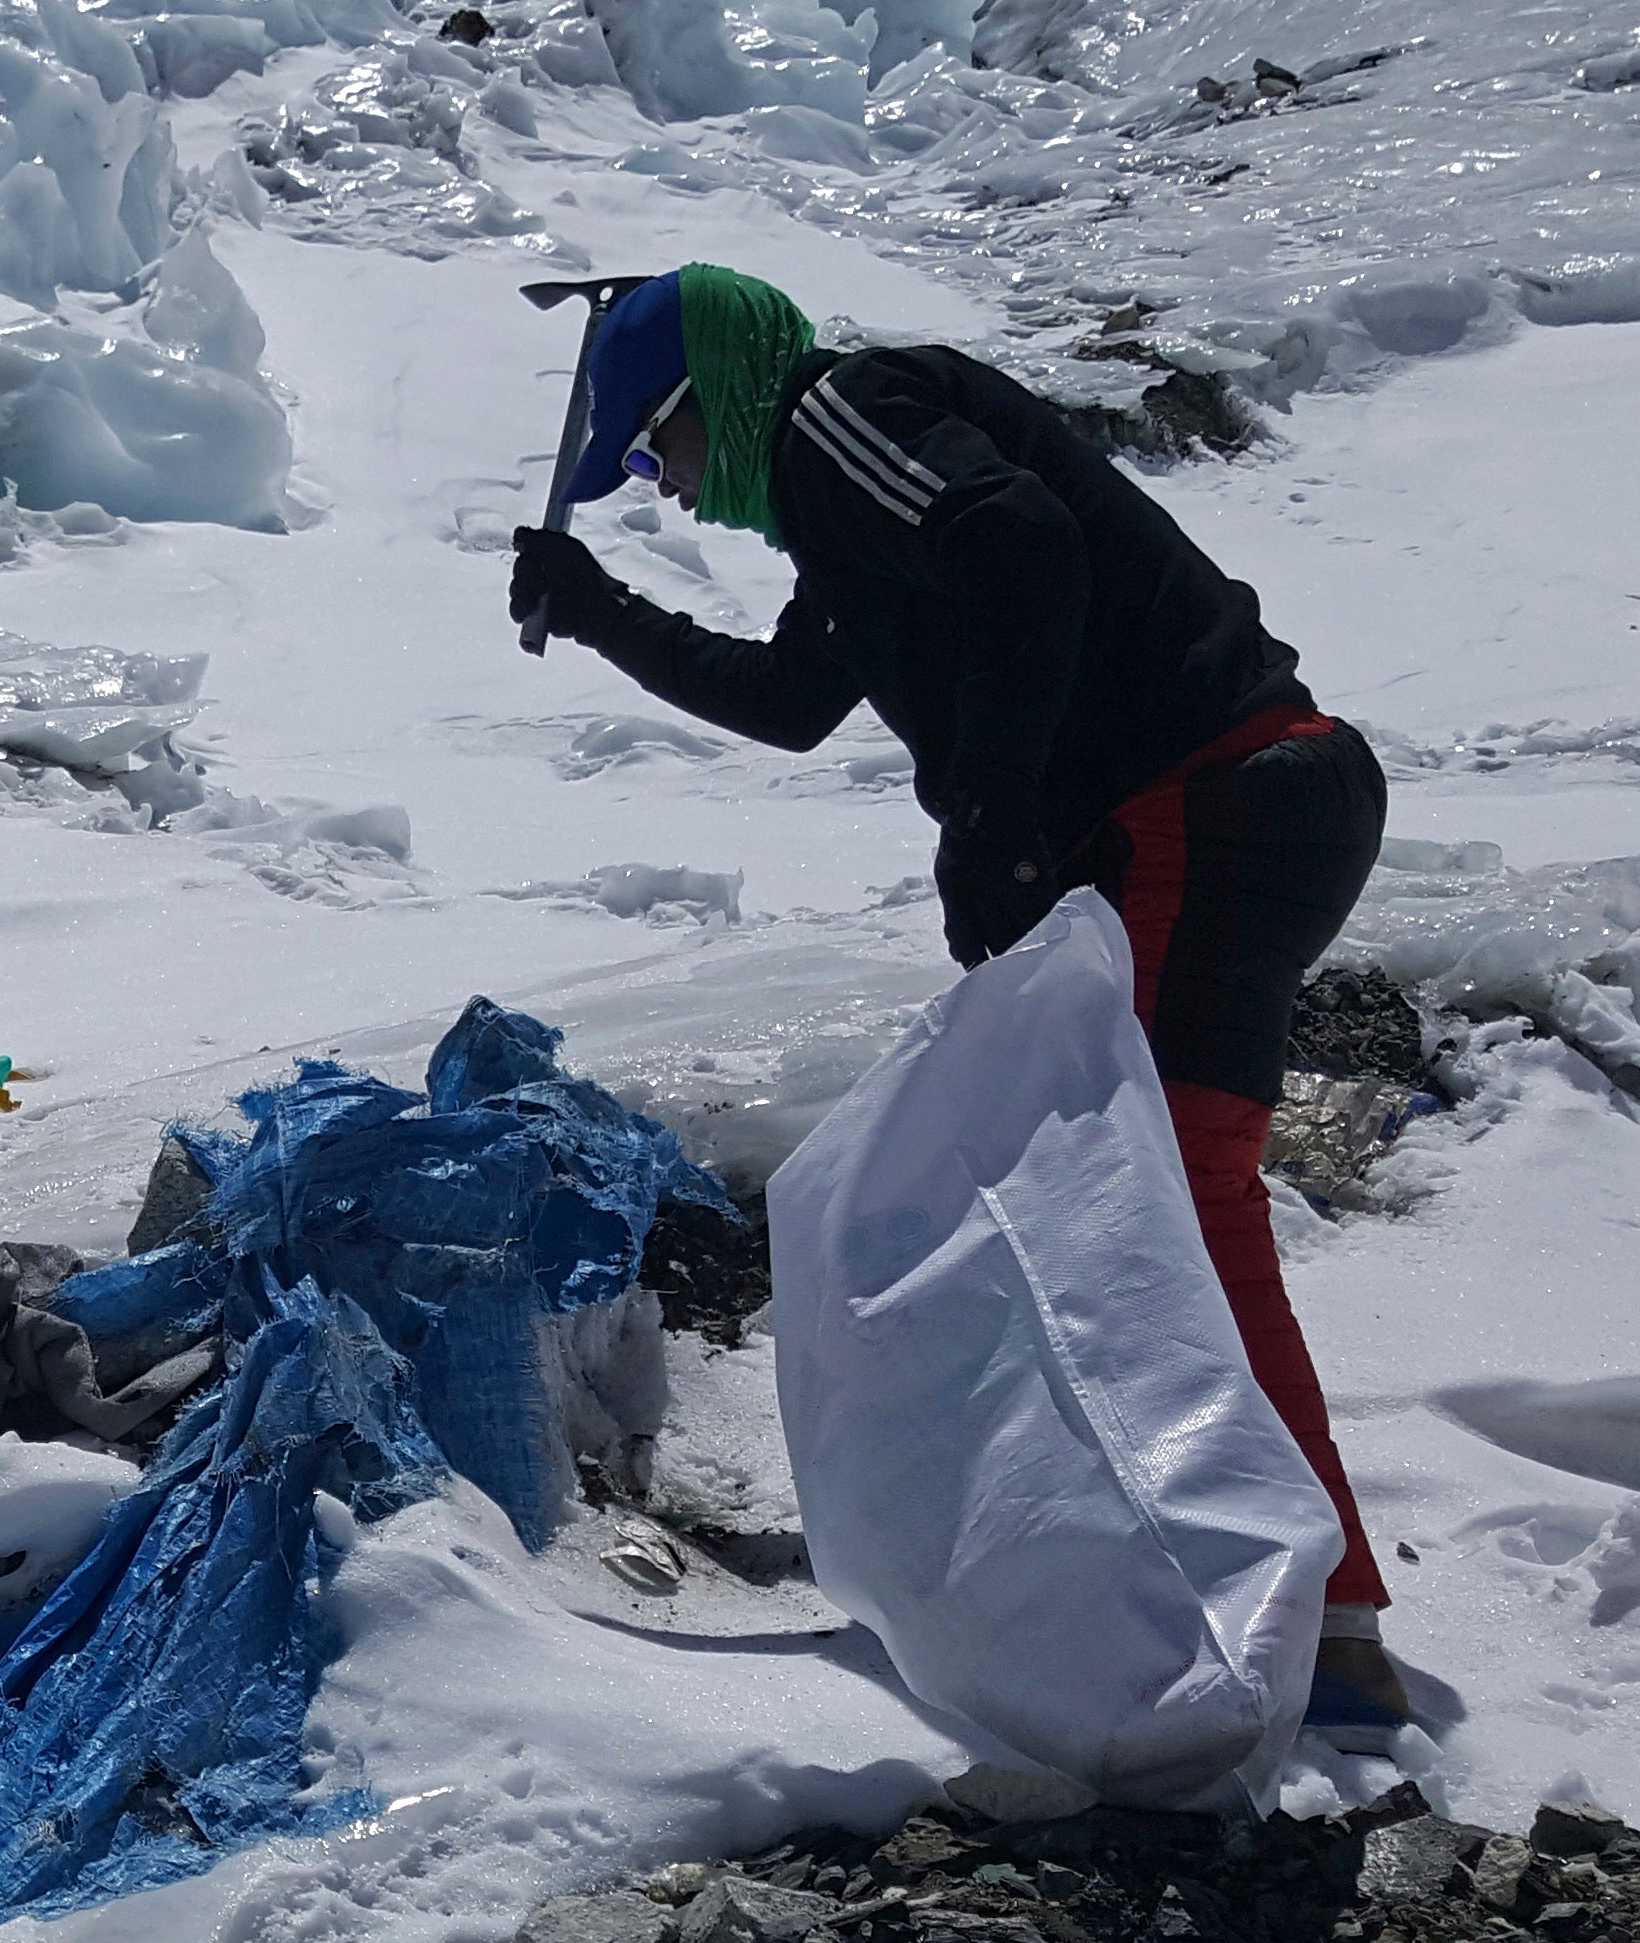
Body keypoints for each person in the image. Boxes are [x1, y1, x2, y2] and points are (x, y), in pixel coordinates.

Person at [505, 263, 1420, 1747]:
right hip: (1237, 800)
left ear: (714, 394)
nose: (658, 485)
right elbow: (798, 700)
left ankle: (1326, 1621)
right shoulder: (844, 511)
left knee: (1182, 1203)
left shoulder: (836, 416)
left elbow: (1021, 543)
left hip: (1214, 796)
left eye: (653, 445)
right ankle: (1230, 1585)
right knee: (1121, 1200)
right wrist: (602, 610)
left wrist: (992, 813)